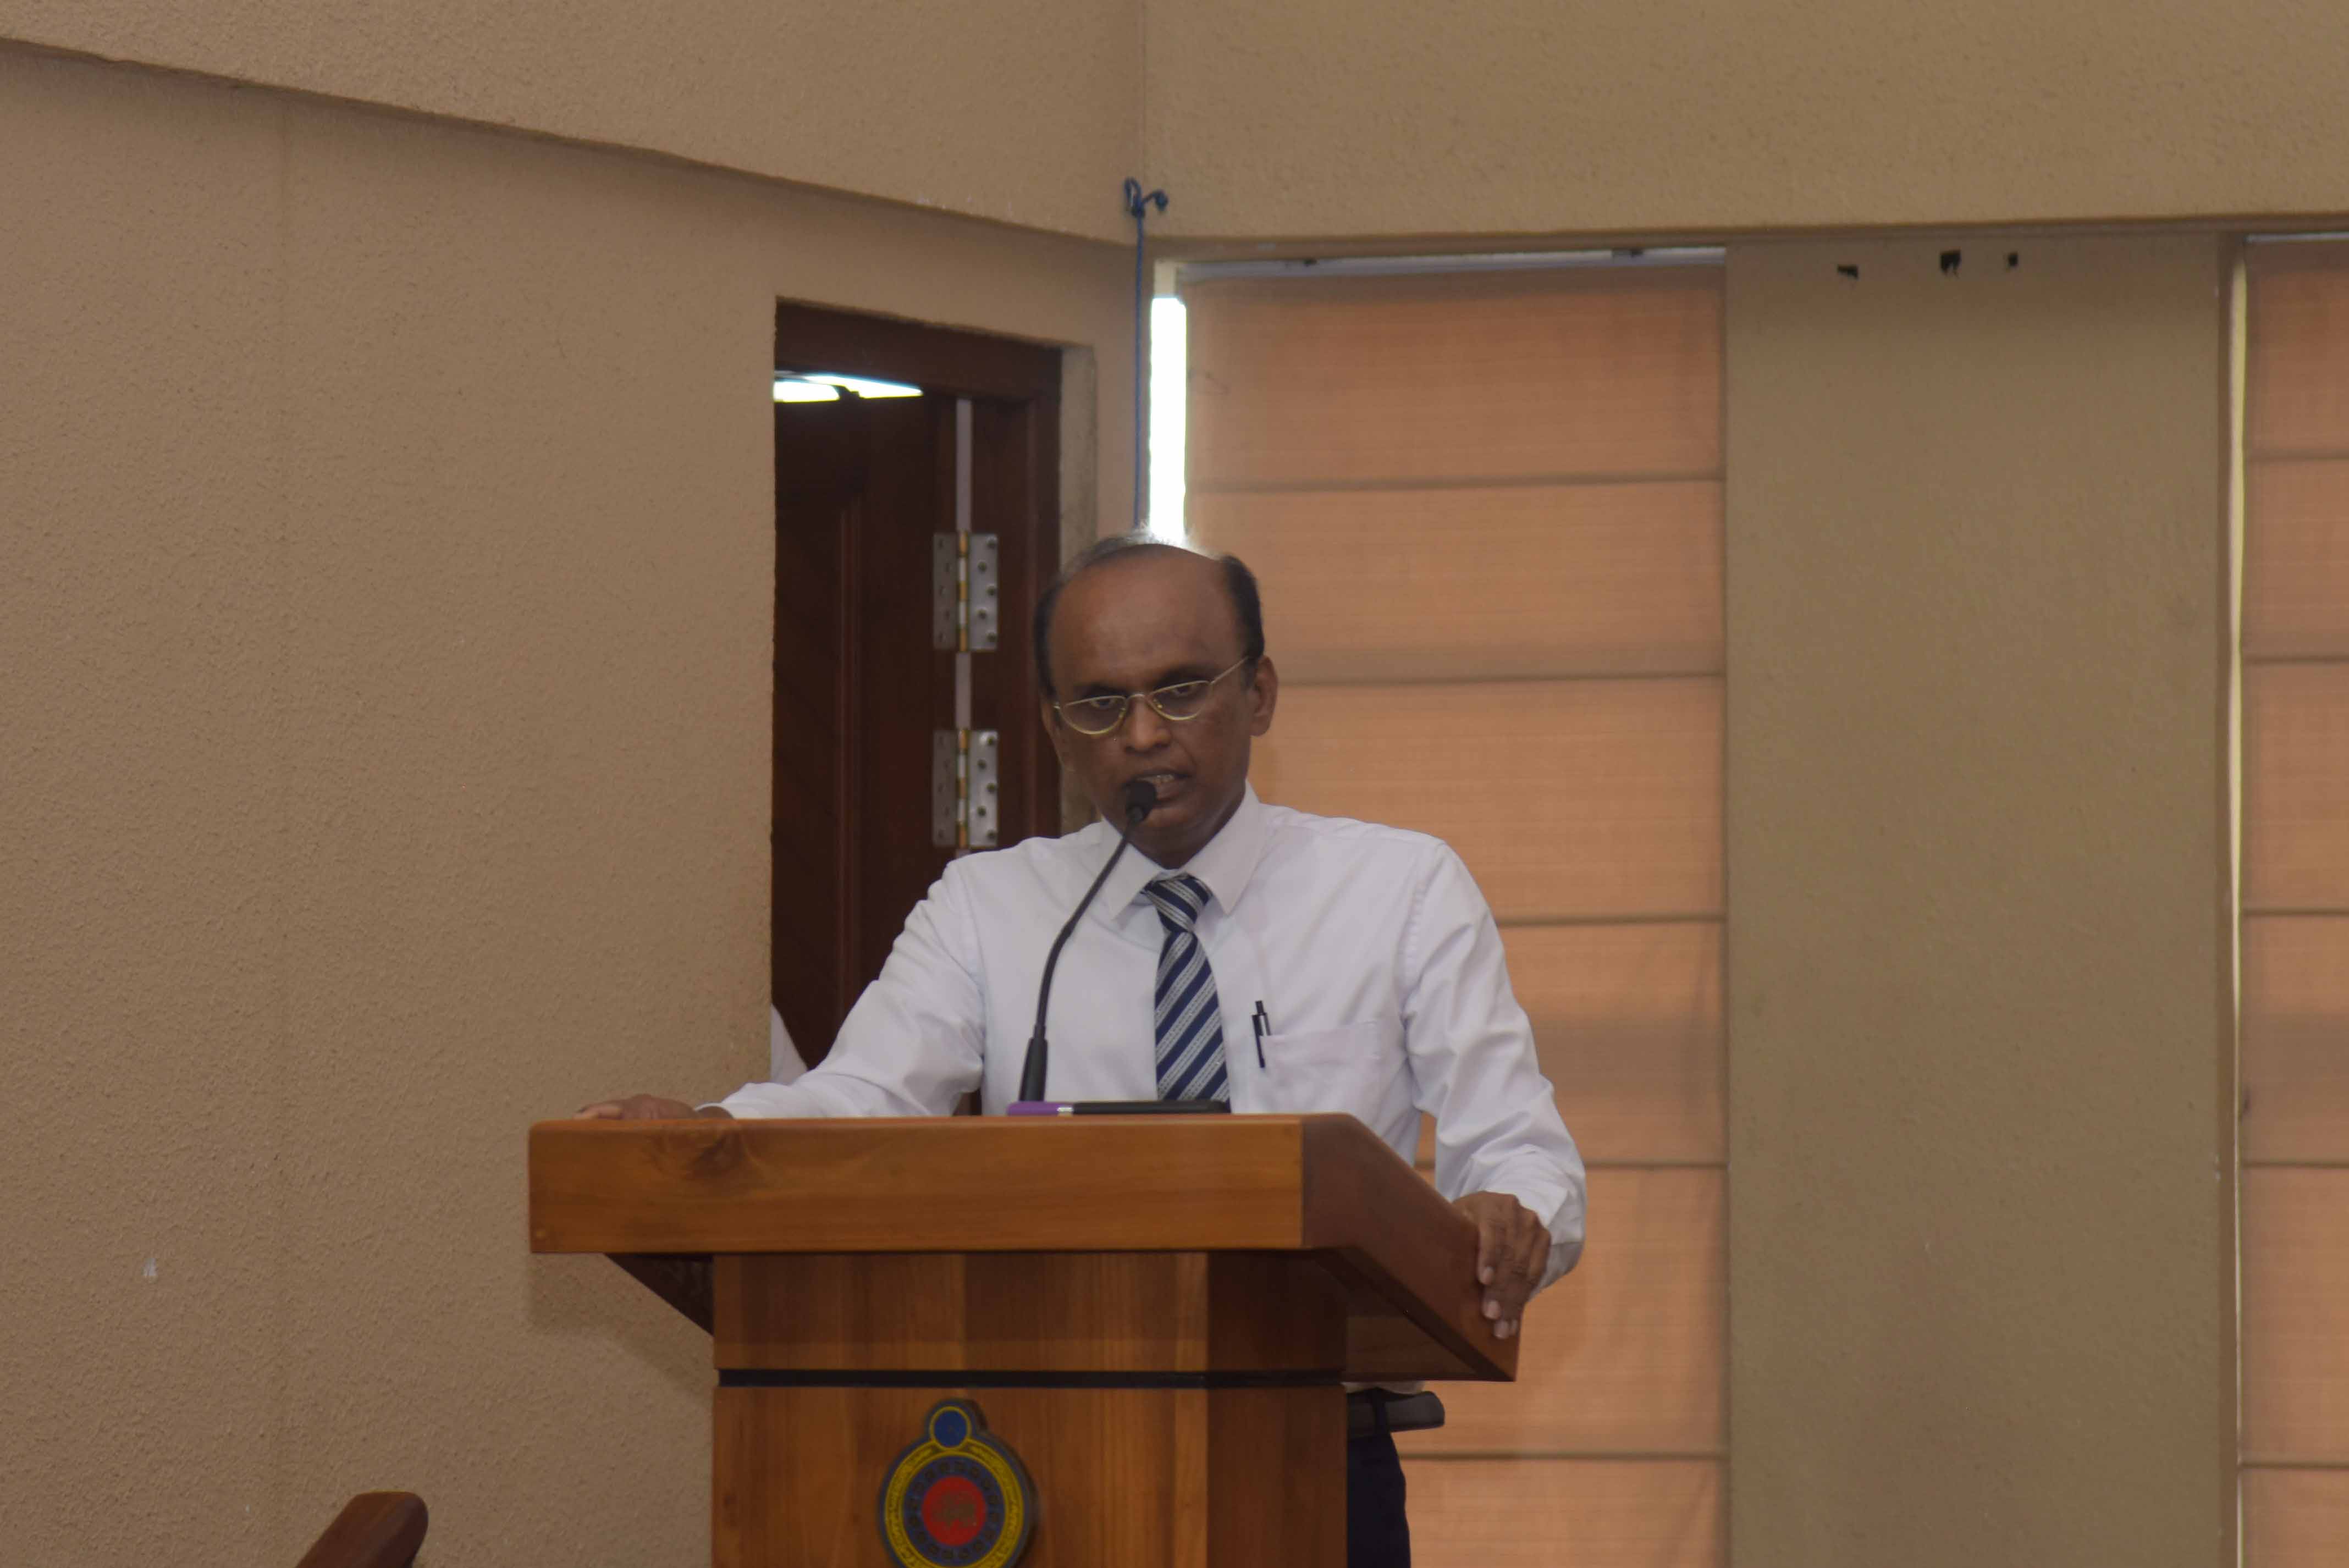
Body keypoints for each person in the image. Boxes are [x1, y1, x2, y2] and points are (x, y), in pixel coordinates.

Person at [580, 536, 1586, 1568]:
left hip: (1319, 1462)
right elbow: (860, 1099)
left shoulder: (1398, 892)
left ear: (1260, 694)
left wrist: (1510, 1215)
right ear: (1058, 732)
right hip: (1044, 1464)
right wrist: (709, 1134)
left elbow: (1521, 1149)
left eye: (1181, 690)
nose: (1143, 735)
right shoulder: (991, 910)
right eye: (1101, 706)